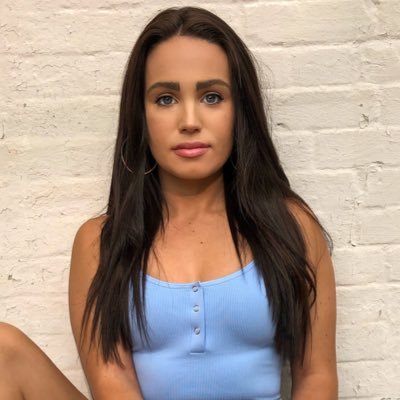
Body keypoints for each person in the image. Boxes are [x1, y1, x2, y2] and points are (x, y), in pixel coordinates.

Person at [0, 6, 338, 400]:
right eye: (165, 99)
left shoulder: (291, 226)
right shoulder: (100, 242)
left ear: (239, 110)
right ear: (141, 116)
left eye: (212, 97)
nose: (189, 121)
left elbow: (316, 376)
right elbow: (112, 382)